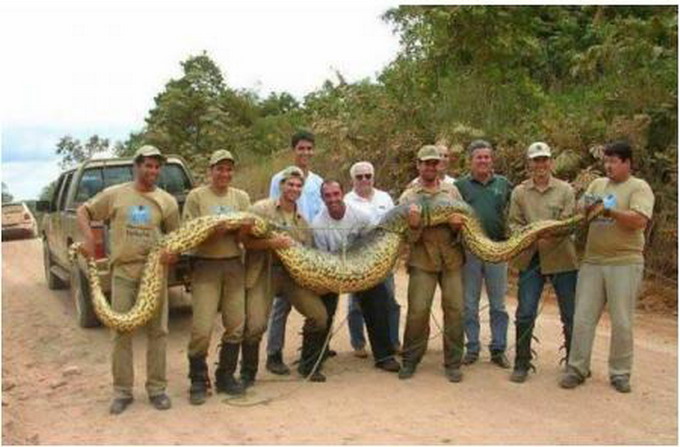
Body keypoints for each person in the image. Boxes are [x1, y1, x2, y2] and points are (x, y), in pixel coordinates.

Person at [76, 145, 180, 415]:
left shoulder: (167, 201)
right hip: (123, 271)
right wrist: (89, 239)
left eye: (157, 166)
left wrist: (172, 254)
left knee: (159, 331)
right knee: (122, 331)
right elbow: (83, 212)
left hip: (154, 272)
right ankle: (122, 391)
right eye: (148, 165)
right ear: (136, 166)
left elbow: (174, 238)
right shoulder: (115, 195)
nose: (153, 171)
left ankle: (157, 389)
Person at [560, 141, 654, 393]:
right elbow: (581, 211)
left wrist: (610, 211)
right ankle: (576, 369)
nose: (608, 166)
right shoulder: (597, 185)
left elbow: (639, 221)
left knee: (622, 321)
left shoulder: (639, 187)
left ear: (627, 163)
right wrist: (587, 207)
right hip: (593, 261)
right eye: (606, 161)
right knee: (582, 318)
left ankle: (620, 373)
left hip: (624, 261)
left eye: (613, 161)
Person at [242, 166, 329, 383]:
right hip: (265, 273)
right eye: (290, 184)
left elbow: (309, 254)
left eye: (299, 186)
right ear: (281, 186)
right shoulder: (260, 209)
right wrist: (270, 243)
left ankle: (308, 366)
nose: (294, 188)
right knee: (256, 325)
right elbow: (244, 241)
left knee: (319, 316)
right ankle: (247, 374)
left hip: (292, 277)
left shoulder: (303, 222)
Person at [182, 150, 251, 404]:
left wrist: (242, 232)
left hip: (233, 265)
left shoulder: (241, 197)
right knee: (202, 327)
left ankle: (225, 376)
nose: (224, 174)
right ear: (210, 170)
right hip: (205, 267)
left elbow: (246, 238)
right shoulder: (196, 197)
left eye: (229, 169)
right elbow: (189, 236)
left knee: (236, 325)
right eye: (219, 169)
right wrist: (213, 232)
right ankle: (198, 379)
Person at [507, 142, 578, 383]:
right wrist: (531, 235)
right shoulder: (519, 192)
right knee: (525, 312)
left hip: (562, 258)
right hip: (530, 258)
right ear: (529, 163)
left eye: (544, 159)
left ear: (551, 162)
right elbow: (513, 224)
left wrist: (548, 232)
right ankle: (521, 363)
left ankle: (574, 364)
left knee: (570, 313)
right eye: (536, 160)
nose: (540, 164)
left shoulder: (566, 190)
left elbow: (569, 222)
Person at [313, 179, 401, 372]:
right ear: (322, 198)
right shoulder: (318, 224)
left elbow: (374, 240)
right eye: (327, 196)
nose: (333, 199)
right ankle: (316, 355)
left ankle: (384, 355)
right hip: (334, 269)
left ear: (342, 193)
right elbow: (323, 257)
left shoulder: (361, 215)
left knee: (379, 300)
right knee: (322, 306)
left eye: (336, 194)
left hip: (361, 267)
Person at [398, 145, 466, 382]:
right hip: (422, 260)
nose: (430, 167)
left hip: (451, 260)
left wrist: (458, 227)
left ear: (440, 165)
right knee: (417, 311)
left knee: (456, 310)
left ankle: (454, 362)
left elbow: (465, 224)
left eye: (434, 163)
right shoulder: (409, 196)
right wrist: (415, 225)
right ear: (418, 165)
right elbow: (405, 236)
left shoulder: (452, 192)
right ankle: (410, 359)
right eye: (426, 163)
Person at [265, 130, 325, 375]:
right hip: (286, 248)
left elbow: (320, 216)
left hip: (310, 247)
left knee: (314, 301)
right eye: (301, 148)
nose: (305, 153)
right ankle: (273, 353)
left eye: (309, 148)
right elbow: (273, 211)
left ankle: (311, 353)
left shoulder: (318, 181)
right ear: (294, 150)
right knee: (282, 305)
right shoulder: (279, 178)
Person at [454, 140, 513, 368]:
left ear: (492, 160)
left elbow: (513, 212)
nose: (483, 161)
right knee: (469, 303)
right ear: (471, 160)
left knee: (498, 304)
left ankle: (498, 349)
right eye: (479, 157)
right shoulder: (460, 186)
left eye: (487, 157)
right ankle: (472, 348)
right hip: (470, 252)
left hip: (497, 250)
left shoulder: (504, 184)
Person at [344, 161, 401, 357]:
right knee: (355, 304)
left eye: (368, 175)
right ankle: (358, 343)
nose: (364, 180)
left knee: (390, 301)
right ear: (352, 180)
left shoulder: (384, 197)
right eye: (359, 177)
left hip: (384, 258)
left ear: (373, 177)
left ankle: (393, 341)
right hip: (359, 259)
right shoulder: (346, 201)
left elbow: (395, 224)